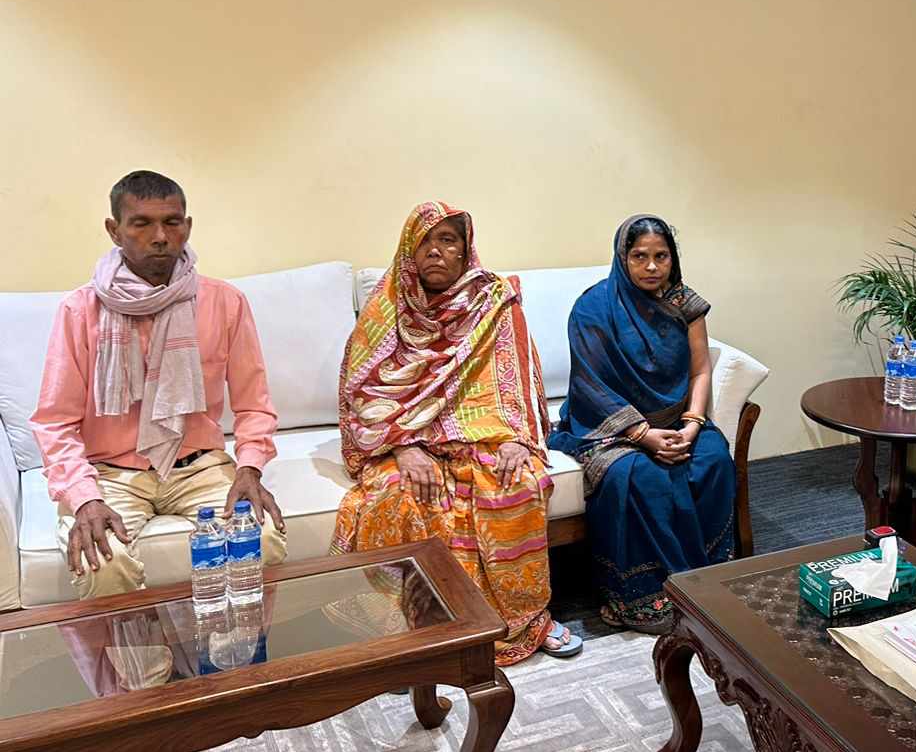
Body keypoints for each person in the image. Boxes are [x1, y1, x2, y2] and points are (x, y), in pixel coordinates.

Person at [333, 201, 581, 664]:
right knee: (400, 495)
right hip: (402, 441)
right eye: (425, 241)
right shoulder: (385, 309)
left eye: (448, 240)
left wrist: (515, 437)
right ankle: (414, 636)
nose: (436, 251)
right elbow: (361, 392)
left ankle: (524, 619)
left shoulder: (494, 302)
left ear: (465, 250)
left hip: (485, 435)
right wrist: (402, 447)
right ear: (409, 251)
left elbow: (517, 376)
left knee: (516, 482)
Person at [32, 170, 286, 604]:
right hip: (110, 473)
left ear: (188, 226)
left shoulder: (224, 302)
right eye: (141, 223)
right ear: (114, 230)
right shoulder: (80, 311)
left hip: (200, 466)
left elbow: (254, 405)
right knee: (102, 561)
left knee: (260, 538)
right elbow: (55, 423)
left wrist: (249, 469)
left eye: (172, 222)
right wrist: (84, 499)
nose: (160, 237)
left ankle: (239, 648)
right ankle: (140, 653)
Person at [549, 215, 735, 635]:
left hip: (676, 419)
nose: (651, 267)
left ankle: (707, 578)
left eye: (661, 256)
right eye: (639, 256)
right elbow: (590, 386)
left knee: (713, 459)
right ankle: (642, 597)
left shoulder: (684, 303)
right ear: (623, 257)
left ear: (673, 259)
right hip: (609, 424)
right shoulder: (593, 308)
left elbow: (700, 370)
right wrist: (642, 435)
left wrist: (692, 425)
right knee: (636, 475)